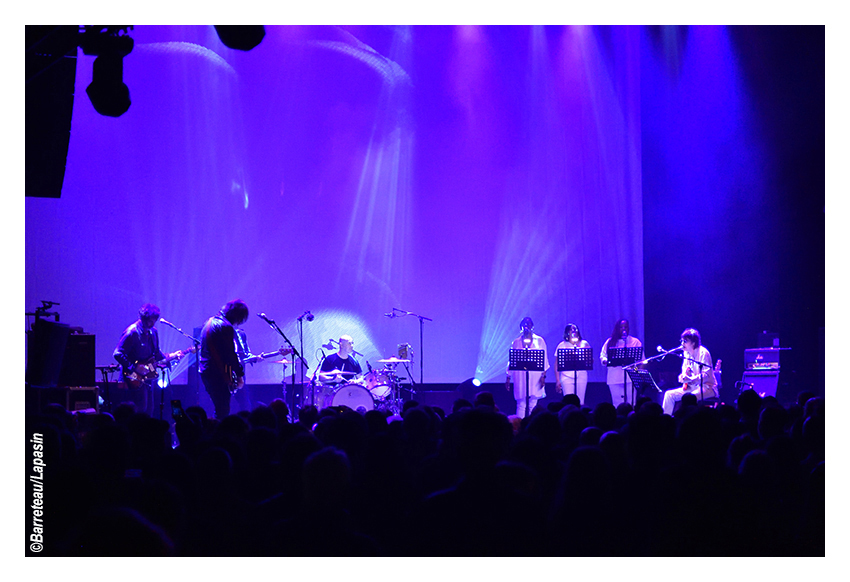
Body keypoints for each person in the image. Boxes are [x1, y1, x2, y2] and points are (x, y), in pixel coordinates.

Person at [114, 303, 171, 415]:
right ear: (142, 318)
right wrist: (135, 367)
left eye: (154, 320)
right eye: (150, 320)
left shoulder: (153, 332)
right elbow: (117, 353)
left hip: (148, 375)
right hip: (133, 376)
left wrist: (170, 358)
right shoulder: (132, 332)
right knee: (140, 409)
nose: (152, 323)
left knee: (149, 409)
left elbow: (156, 353)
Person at [199, 299, 249, 420]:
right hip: (217, 374)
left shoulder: (209, 322)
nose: (238, 323)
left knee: (220, 408)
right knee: (223, 410)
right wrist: (239, 374)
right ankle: (217, 436)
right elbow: (230, 354)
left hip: (206, 371)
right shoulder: (226, 326)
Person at [661, 328, 717, 415]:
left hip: (707, 387)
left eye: (685, 341)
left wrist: (690, 379)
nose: (682, 344)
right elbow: (684, 371)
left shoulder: (703, 353)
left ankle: (687, 422)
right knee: (669, 394)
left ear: (693, 342)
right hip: (691, 387)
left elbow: (706, 375)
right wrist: (682, 377)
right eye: (682, 341)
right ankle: (665, 421)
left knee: (689, 398)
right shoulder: (686, 353)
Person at [505, 317, 549, 418]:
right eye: (524, 325)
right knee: (521, 403)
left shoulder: (540, 340)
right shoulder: (516, 342)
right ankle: (519, 427)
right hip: (520, 375)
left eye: (528, 325)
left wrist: (543, 376)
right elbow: (512, 360)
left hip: (535, 375)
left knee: (533, 403)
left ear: (532, 326)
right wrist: (508, 376)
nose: (526, 327)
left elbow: (544, 359)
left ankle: (531, 426)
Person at [599, 319, 642, 407]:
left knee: (631, 404)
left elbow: (641, 361)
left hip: (631, 378)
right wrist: (606, 361)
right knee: (617, 404)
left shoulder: (635, 342)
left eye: (625, 327)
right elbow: (603, 356)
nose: (623, 329)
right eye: (621, 327)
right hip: (614, 378)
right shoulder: (610, 342)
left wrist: (636, 370)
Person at [555, 323, 591, 405]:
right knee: (568, 401)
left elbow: (589, 361)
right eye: (571, 329)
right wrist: (557, 380)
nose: (574, 331)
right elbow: (557, 364)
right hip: (566, 376)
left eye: (575, 329)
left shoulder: (584, 344)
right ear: (567, 332)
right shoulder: (562, 345)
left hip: (581, 375)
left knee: (580, 401)